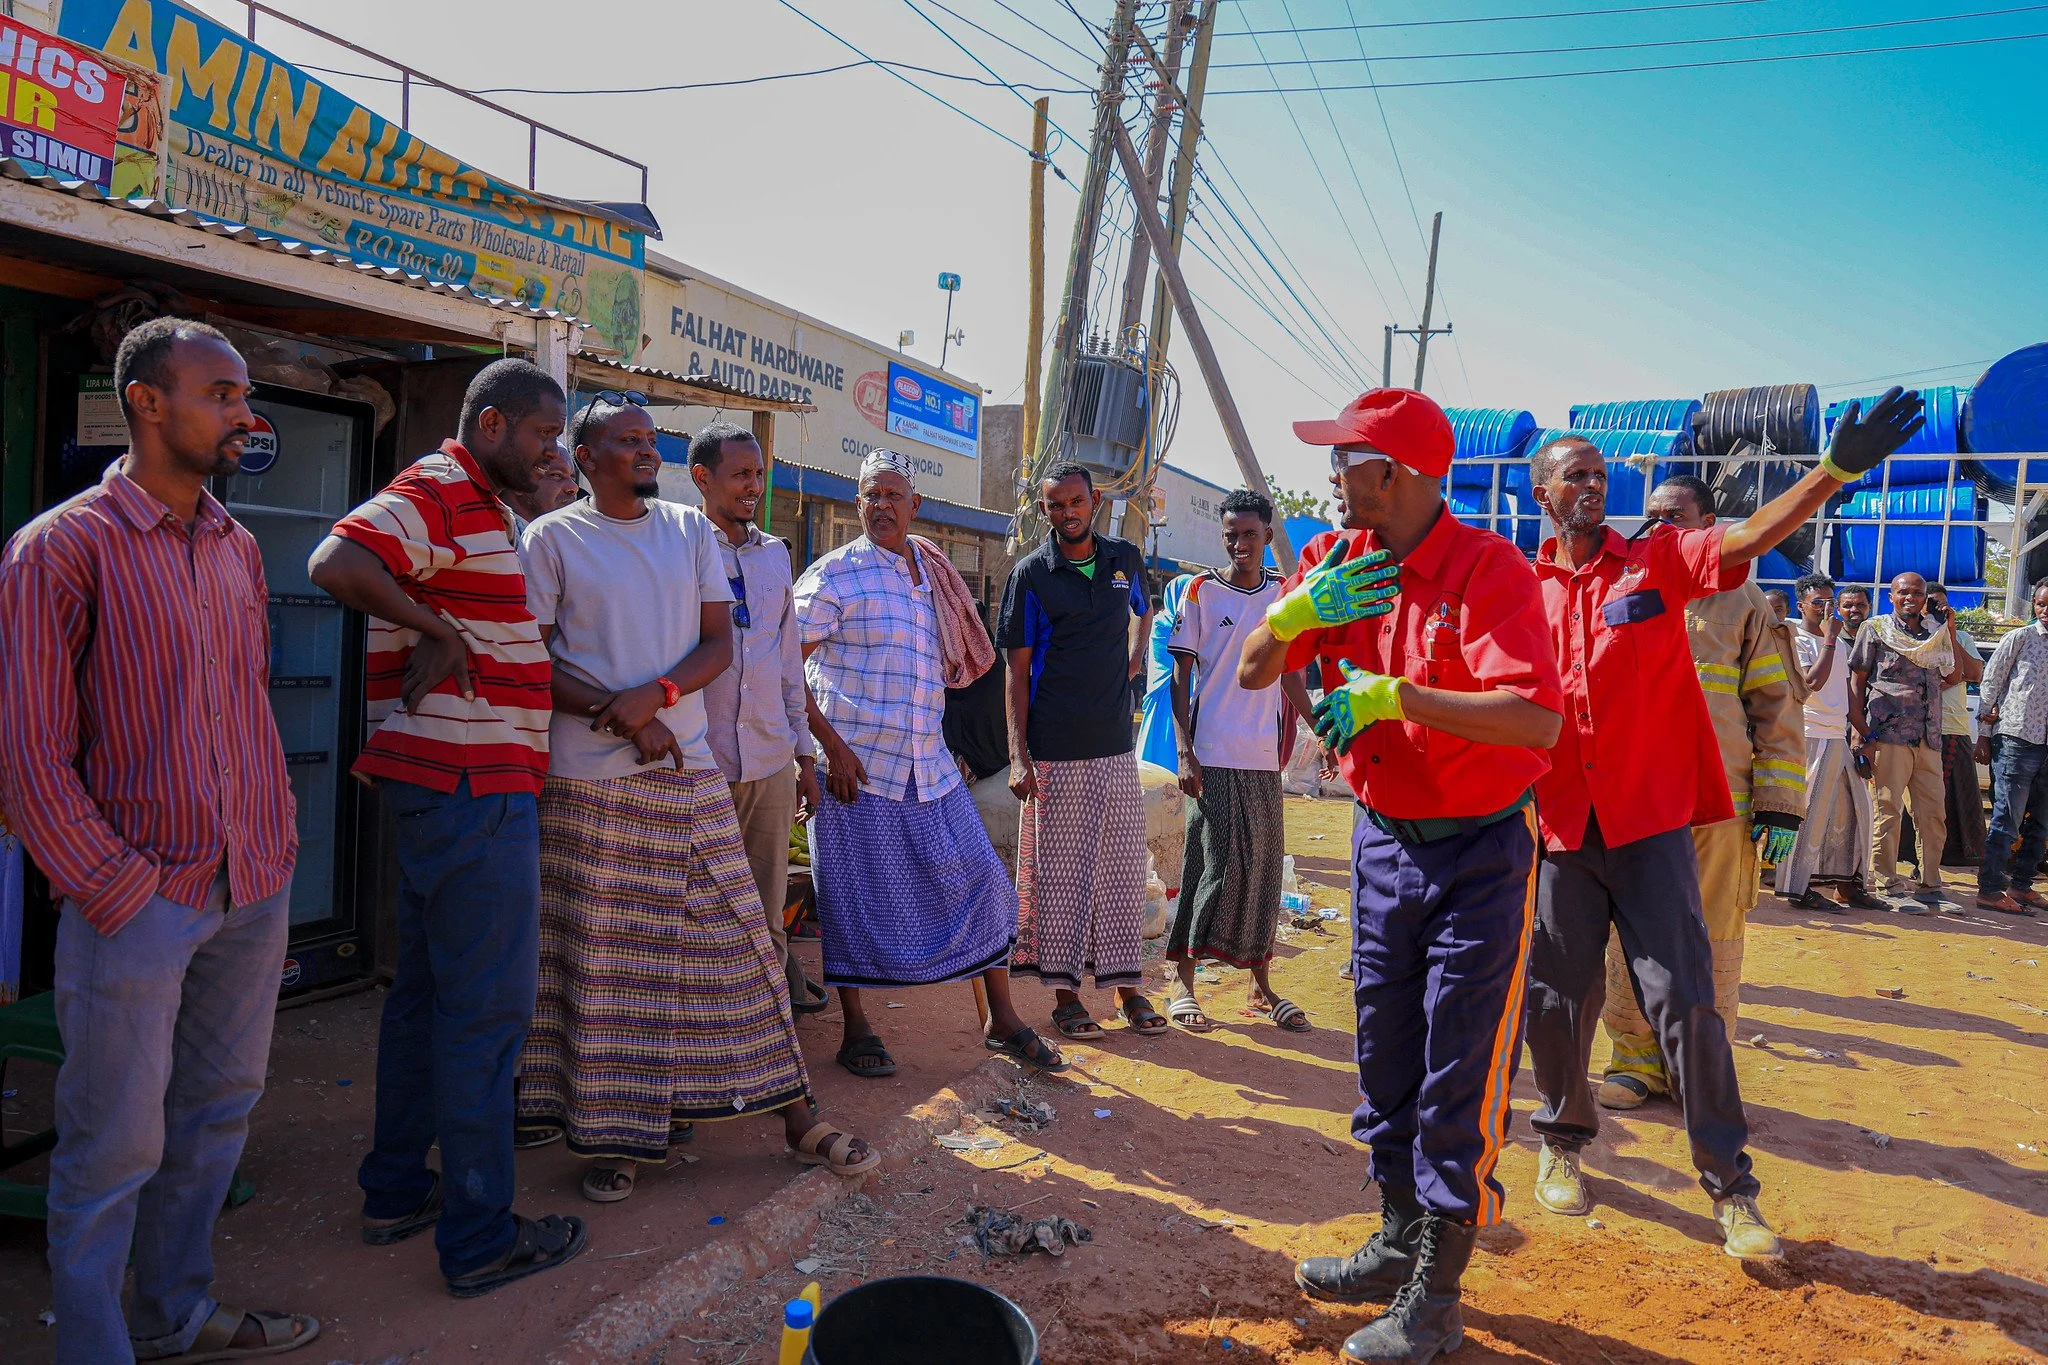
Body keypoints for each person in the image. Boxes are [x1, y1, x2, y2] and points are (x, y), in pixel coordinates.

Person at [1520, 385, 1926, 1264]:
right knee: (1555, 1000)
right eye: (1574, 477)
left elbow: (1745, 537)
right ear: (1540, 494)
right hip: (1560, 831)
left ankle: (1732, 1190)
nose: (1593, 486)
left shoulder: (1657, 563)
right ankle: (1559, 1140)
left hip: (1653, 828)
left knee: (1688, 1005)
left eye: (1600, 474)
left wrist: (1831, 471)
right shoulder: (1524, 590)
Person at [0, 319, 317, 1362]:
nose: (243, 412)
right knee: (111, 1147)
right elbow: (28, 756)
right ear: (147, 402)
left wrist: (273, 836)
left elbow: (243, 707)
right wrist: (115, 889)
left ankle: (171, 1315)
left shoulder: (233, 545)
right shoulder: (61, 548)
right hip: (136, 899)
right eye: (220, 393)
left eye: (243, 395)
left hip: (251, 883)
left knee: (217, 1116)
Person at [1238, 388, 1560, 1365]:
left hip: (1478, 853)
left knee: (1455, 1071)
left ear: (1397, 475)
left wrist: (1394, 695)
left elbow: (1532, 720)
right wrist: (1293, 613)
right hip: (1382, 841)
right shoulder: (1334, 561)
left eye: (1345, 459)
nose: (1331, 476)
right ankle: (1391, 1240)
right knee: (1383, 1055)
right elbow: (1254, 669)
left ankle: (1435, 1293)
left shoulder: (1488, 571)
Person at [514, 398, 872, 1202]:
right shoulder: (550, 540)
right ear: (584, 453)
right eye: (627, 441)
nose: (645, 451)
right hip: (588, 780)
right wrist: (623, 715)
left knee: (745, 946)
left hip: (687, 766)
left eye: (650, 440)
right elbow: (531, 660)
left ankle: (797, 1118)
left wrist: (658, 696)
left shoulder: (685, 531)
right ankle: (615, 1140)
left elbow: (722, 642)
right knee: (608, 965)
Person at [307, 357, 588, 1297]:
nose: (556, 452)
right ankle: (478, 1238)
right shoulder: (438, 485)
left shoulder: (479, 509)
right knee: (487, 1018)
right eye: (548, 434)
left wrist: (435, 623)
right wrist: (440, 632)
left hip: (455, 787)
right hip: (473, 787)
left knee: (429, 1000)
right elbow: (336, 560)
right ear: (496, 424)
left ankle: (396, 1191)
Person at [796, 449, 1065, 1079]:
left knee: (984, 880)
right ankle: (857, 1026)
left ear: (916, 507)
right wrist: (829, 749)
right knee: (854, 899)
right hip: (858, 770)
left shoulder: (931, 572)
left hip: (930, 767)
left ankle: (1000, 1016)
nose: (881, 505)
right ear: (856, 503)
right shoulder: (836, 575)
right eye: (870, 495)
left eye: (893, 495)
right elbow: (782, 661)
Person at [1595, 475, 1806, 1112]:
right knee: (1628, 931)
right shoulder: (1622, 585)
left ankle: (1697, 1067)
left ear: (1710, 524)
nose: (1662, 530)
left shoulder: (1743, 596)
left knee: (1713, 934)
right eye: (1654, 518)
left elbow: (1775, 705)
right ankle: (1634, 1059)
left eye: (1678, 519)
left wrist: (1778, 801)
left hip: (1722, 802)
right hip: (1636, 795)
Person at [1001, 461, 1164, 1040]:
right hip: (1055, 750)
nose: (1066, 513)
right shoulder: (1031, 576)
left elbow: (1146, 612)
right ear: (1043, 510)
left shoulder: (1125, 559)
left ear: (1094, 501)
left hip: (1116, 745)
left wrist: (1137, 657)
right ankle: (1066, 996)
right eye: (1054, 506)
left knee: (1119, 873)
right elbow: (1015, 673)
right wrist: (1019, 754)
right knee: (1061, 878)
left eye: (1075, 502)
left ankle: (1127, 991)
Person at [1164, 488, 1318, 1032]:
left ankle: (1261, 986)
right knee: (1213, 864)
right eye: (1231, 534)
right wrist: (1184, 750)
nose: (1239, 543)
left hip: (1262, 759)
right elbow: (1181, 680)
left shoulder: (1284, 595)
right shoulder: (1202, 592)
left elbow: (1293, 674)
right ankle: (1182, 981)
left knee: (1262, 870)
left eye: (1250, 534)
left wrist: (1319, 726)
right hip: (1212, 754)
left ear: (1266, 534)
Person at [691, 420, 829, 1015]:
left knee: (768, 912)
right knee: (697, 911)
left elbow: (784, 667)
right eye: (740, 474)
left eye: (759, 475)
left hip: (771, 760)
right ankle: (701, 1049)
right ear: (703, 478)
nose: (753, 486)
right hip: (700, 761)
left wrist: (804, 756)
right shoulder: (679, 546)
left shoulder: (775, 555)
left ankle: (765, 1039)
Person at [1847, 570, 1960, 909]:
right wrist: (1859, 730)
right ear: (1891, 597)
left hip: (1928, 736)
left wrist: (1949, 627)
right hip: (1888, 732)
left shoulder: (1934, 632)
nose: (1910, 598)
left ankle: (1929, 885)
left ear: (1926, 598)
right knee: (1888, 810)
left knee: (1932, 815)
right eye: (1903, 593)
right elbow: (1857, 681)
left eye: (1917, 593)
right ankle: (1886, 883)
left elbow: (1953, 675)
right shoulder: (1876, 629)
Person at [1779, 575, 1882, 912]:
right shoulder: (1799, 640)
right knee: (1807, 814)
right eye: (1817, 602)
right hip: (1810, 735)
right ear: (1801, 606)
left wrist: (1866, 734)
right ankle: (1796, 887)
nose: (1825, 608)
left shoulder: (1836, 642)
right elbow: (1812, 684)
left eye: (1828, 601)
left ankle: (1849, 886)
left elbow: (1849, 695)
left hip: (1837, 735)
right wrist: (1828, 641)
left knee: (1856, 811)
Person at [1973, 580, 2048, 915]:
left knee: (2043, 821)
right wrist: (1984, 734)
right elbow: (1992, 682)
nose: (2046, 612)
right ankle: (1990, 889)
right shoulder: (2021, 638)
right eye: (2041, 604)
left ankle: (2022, 885)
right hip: (2017, 739)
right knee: (2007, 818)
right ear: (2033, 604)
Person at [1925, 584, 1986, 867]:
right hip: (1918, 728)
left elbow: (1973, 674)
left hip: (1953, 727)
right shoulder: (1910, 637)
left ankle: (1954, 858)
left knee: (1956, 797)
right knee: (1921, 800)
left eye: (1943, 606)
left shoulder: (1961, 636)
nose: (1938, 610)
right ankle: (1913, 858)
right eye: (1932, 605)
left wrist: (1950, 632)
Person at [1136, 572, 1197, 771]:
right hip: (1167, 692)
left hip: (1186, 689)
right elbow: (1170, 659)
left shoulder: (1193, 622)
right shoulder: (1163, 624)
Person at [504, 446, 580, 530]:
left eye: (572, 478)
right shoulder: (494, 537)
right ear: (517, 483)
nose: (574, 487)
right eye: (556, 475)